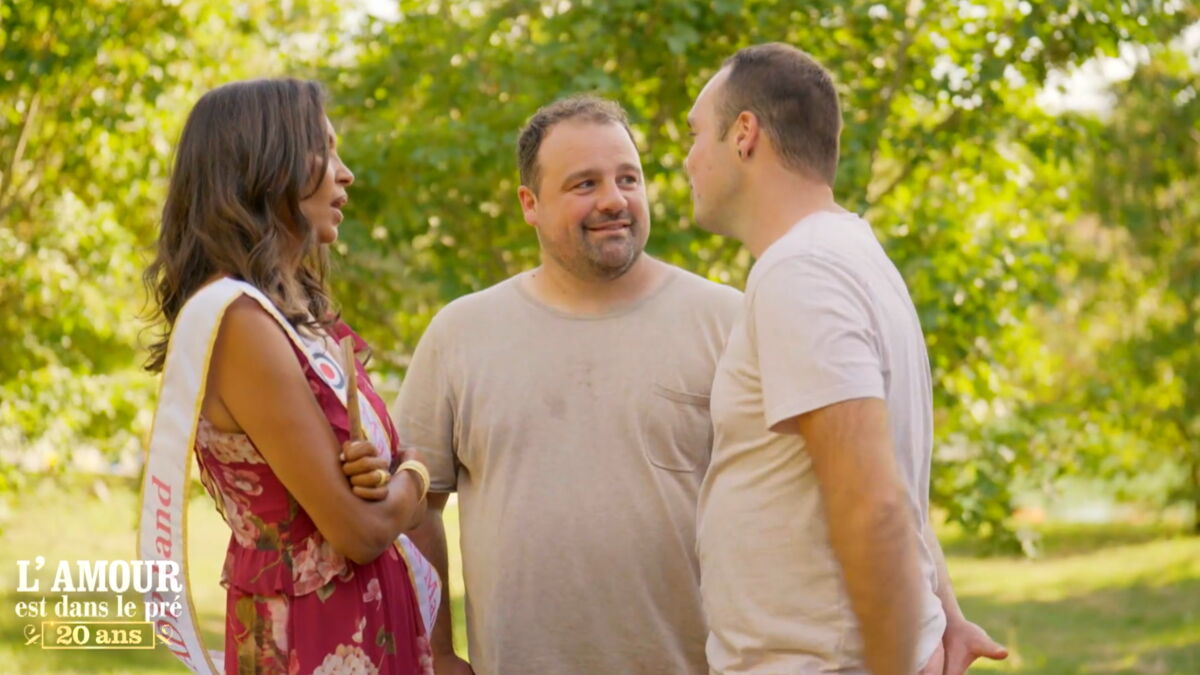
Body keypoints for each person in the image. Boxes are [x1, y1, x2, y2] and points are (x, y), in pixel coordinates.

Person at [685, 43, 1008, 674]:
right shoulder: (852, 254)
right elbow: (885, 480)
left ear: (744, 134)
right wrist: (947, 610)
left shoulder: (801, 272)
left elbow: (874, 508)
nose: (688, 158)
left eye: (697, 134)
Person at [393, 96, 742, 674]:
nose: (614, 199)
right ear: (530, 204)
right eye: (584, 184)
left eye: (628, 178)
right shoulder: (462, 332)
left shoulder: (729, 323)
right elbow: (414, 507)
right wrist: (433, 651)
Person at [142, 78, 435, 674]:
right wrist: (417, 476)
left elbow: (367, 485)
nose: (345, 174)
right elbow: (360, 530)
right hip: (313, 635)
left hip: (359, 618)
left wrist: (383, 474)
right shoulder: (242, 324)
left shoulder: (293, 314)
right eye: (324, 151)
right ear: (263, 164)